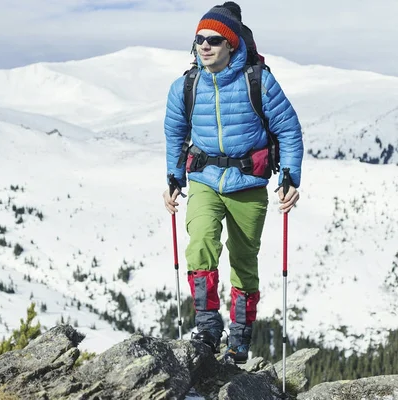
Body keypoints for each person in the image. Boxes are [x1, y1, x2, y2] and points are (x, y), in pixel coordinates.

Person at [162, 4, 303, 363]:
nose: (204, 46)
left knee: (243, 260)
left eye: (214, 40)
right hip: (205, 180)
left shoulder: (258, 81)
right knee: (201, 245)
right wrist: (174, 178)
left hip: (249, 182)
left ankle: (239, 337)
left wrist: (289, 177)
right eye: (199, 40)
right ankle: (208, 327)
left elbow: (288, 130)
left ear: (232, 45)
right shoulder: (185, 87)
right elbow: (175, 135)